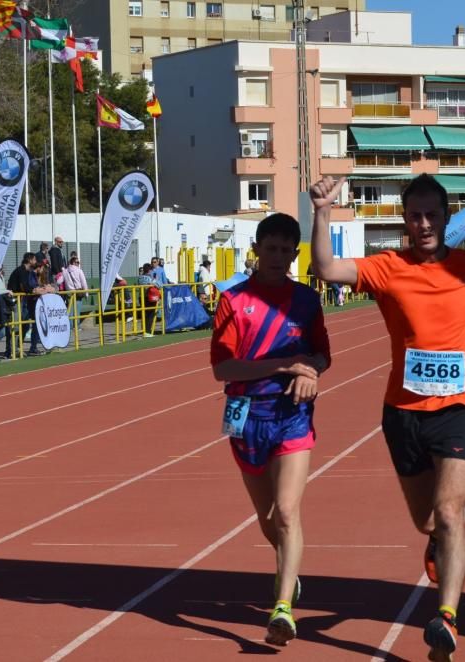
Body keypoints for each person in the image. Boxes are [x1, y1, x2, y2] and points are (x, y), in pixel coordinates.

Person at [310, 173, 465, 662]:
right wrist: (322, 210)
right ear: (405, 219)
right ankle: (436, 546)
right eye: (415, 215)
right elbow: (324, 267)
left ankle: (446, 618)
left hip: (457, 409)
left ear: (447, 218)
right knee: (427, 519)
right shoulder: (388, 268)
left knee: (451, 513)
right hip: (403, 415)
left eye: (432, 214)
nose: (424, 223)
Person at [211, 212, 330, 647]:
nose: (279, 257)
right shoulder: (233, 301)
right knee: (266, 521)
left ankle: (282, 608)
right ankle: (289, 572)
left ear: (295, 253)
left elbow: (322, 355)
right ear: (257, 250)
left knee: (286, 511)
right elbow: (222, 367)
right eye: (272, 248)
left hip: (292, 414)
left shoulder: (306, 300)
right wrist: (284, 364)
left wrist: (311, 371)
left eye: (287, 250)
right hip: (245, 415)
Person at [7, 252, 54, 356]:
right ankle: (11, 350)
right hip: (15, 301)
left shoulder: (28, 271)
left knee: (25, 326)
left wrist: (39, 289)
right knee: (16, 327)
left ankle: (18, 348)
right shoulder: (21, 271)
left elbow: (29, 286)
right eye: (34, 260)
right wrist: (37, 290)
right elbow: (25, 286)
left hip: (23, 301)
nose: (36, 262)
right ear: (29, 260)